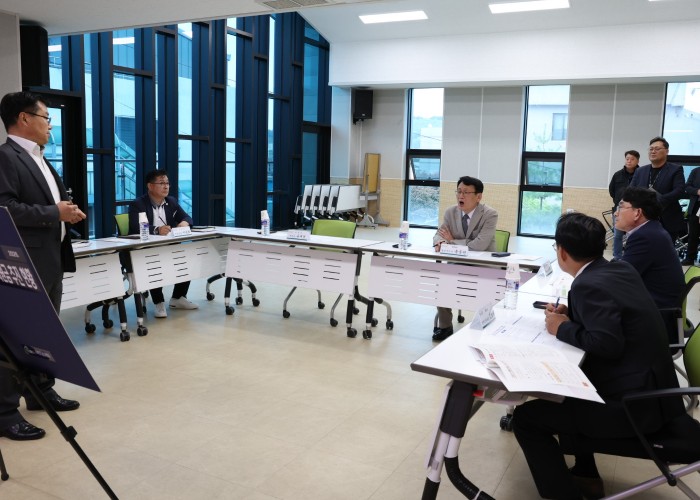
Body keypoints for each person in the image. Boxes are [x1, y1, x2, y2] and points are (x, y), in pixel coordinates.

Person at [512, 212, 684, 500]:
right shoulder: (619, 268)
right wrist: (572, 315)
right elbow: (614, 317)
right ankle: (586, 475)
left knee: (526, 418)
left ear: (562, 252)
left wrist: (561, 327)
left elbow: (607, 343)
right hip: (657, 394)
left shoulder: (587, 284)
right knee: (566, 392)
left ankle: (563, 495)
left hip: (632, 408)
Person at [0, 91, 86, 441]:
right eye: (46, 118)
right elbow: (5, 208)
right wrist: (54, 212)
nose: (50, 125)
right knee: (15, 337)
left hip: (51, 259)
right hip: (24, 263)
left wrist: (67, 212)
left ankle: (39, 391)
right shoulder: (6, 157)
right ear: (24, 119)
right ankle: (5, 412)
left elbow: (49, 206)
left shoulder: (40, 158)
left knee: (43, 335)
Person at [432, 175, 498, 341]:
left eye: (466, 192)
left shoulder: (489, 214)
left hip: (483, 265)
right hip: (457, 262)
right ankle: (445, 326)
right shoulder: (450, 212)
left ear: (478, 196)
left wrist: (452, 241)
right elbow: (439, 234)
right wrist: (441, 242)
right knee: (442, 281)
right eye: (459, 191)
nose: (461, 196)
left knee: (484, 288)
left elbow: (479, 245)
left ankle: (485, 326)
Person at [128, 169, 198, 318]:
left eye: (167, 183)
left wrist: (184, 222)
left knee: (186, 258)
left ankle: (178, 298)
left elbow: (187, 217)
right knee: (155, 262)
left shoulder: (171, 202)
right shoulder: (138, 204)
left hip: (168, 245)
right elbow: (135, 228)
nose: (166, 186)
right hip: (146, 247)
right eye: (161, 183)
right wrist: (156, 230)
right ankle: (158, 302)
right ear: (150, 186)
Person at [629, 136, 685, 242]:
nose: (653, 151)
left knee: (664, 250)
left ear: (666, 151)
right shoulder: (640, 171)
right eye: (651, 149)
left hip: (667, 219)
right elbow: (630, 191)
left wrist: (657, 200)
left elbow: (679, 191)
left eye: (657, 149)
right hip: (642, 219)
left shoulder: (675, 169)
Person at [607, 149, 639, 259]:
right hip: (619, 209)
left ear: (637, 161)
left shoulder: (641, 173)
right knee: (617, 235)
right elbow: (611, 190)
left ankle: (631, 257)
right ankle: (617, 257)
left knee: (633, 235)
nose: (629, 161)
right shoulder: (617, 175)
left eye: (632, 159)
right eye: (627, 159)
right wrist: (618, 201)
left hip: (635, 209)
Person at [682, 166, 700, 266]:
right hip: (696, 206)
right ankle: (690, 258)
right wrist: (697, 191)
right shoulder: (695, 171)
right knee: (693, 234)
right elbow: (687, 187)